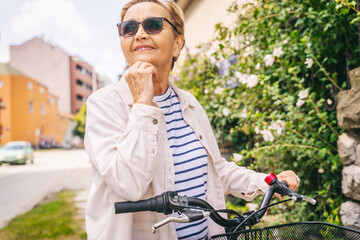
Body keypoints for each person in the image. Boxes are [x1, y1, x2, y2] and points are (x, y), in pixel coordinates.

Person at [84, 0, 301, 239]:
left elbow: (216, 170)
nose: (140, 34)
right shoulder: (103, 104)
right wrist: (143, 105)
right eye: (129, 28)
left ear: (177, 45)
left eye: (153, 25)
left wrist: (266, 181)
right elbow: (129, 183)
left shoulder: (188, 103)